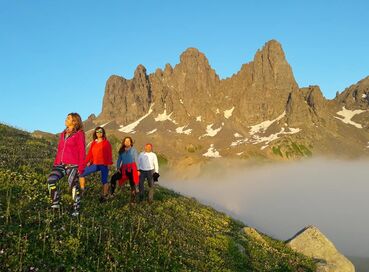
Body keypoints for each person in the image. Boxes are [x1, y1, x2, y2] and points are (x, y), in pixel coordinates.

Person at [47, 113, 85, 216]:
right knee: (51, 180)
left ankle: (76, 209)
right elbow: (60, 149)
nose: (66, 119)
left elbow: (82, 151)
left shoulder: (79, 134)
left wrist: (81, 168)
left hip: (72, 165)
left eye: (68, 118)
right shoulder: (63, 133)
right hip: (60, 164)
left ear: (75, 121)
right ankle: (55, 203)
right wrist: (56, 163)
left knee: (73, 186)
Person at [79, 127, 113, 202]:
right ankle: (82, 190)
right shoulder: (94, 143)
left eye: (100, 132)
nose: (99, 133)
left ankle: (104, 196)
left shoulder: (106, 142)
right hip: (95, 164)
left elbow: (109, 154)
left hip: (104, 164)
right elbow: (90, 154)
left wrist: (109, 164)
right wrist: (85, 164)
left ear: (103, 133)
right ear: (95, 133)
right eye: (97, 132)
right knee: (81, 173)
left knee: (104, 180)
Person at [110, 137, 140, 204]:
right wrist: (118, 168)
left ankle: (133, 200)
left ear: (131, 142)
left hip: (132, 168)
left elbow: (136, 160)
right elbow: (119, 160)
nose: (127, 142)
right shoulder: (122, 150)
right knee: (113, 178)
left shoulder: (133, 150)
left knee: (132, 184)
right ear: (124, 142)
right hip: (123, 168)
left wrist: (138, 170)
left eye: (128, 141)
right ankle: (112, 193)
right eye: (126, 141)